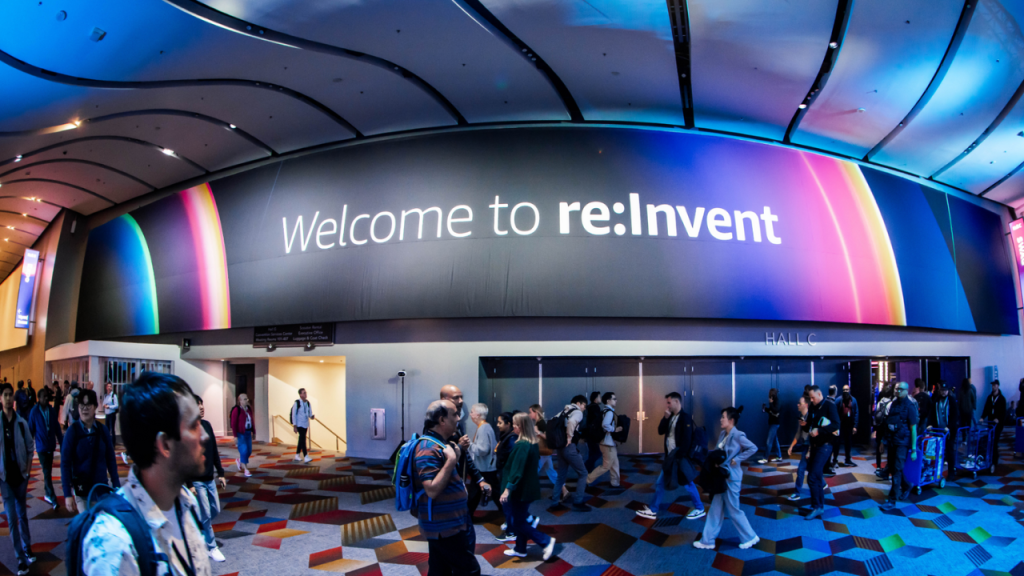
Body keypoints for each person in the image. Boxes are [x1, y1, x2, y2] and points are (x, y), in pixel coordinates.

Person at [75, 372, 211, 576]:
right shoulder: (115, 541)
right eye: (194, 426)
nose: (205, 436)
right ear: (165, 444)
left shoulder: (187, 502)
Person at [413, 399, 480, 576]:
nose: (459, 418)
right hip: (443, 526)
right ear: (442, 420)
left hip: (448, 524)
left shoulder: (440, 444)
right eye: (455, 414)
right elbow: (432, 489)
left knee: (439, 569)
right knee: (469, 570)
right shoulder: (427, 448)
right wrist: (451, 460)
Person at [693, 407, 759, 550]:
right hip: (721, 476)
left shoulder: (738, 435)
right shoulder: (723, 434)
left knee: (734, 510)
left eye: (723, 417)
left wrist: (738, 458)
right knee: (715, 509)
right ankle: (707, 540)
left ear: (731, 420)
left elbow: (753, 448)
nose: (721, 419)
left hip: (732, 478)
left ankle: (750, 537)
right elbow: (718, 451)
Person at [636, 392, 705, 520]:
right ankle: (653, 509)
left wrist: (679, 456)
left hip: (677, 457)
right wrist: (665, 418)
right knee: (664, 483)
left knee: (686, 483)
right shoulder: (671, 416)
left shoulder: (685, 417)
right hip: (671, 457)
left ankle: (699, 508)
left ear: (677, 402)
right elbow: (660, 431)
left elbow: (687, 440)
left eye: (669, 402)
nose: (667, 405)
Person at [499, 413, 557, 561]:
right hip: (526, 488)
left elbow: (516, 470)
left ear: (521, 426)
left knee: (517, 522)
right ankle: (520, 548)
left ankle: (545, 541)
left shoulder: (522, 445)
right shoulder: (531, 442)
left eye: (515, 425)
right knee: (520, 518)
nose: (513, 427)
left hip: (521, 490)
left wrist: (507, 489)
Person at [61, 389, 120, 513]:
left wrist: (116, 485)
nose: (84, 409)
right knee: (88, 526)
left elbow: (111, 460)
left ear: (95, 407)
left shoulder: (102, 430)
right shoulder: (73, 432)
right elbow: (65, 463)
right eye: (82, 405)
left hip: (101, 489)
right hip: (82, 492)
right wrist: (67, 493)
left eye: (88, 405)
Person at [439, 386, 491, 517]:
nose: (461, 400)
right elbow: (436, 454)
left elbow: (465, 454)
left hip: (458, 483)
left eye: (461, 397)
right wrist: (459, 447)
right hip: (444, 487)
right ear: (444, 399)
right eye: (456, 397)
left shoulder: (458, 424)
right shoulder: (435, 424)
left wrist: (479, 479)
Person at [1, 382, 36, 575]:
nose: (8, 398)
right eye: (4, 395)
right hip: (5, 479)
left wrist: (28, 473)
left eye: (10, 395)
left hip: (21, 478)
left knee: (22, 514)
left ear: (14, 399)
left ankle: (27, 546)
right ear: (0, 398)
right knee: (12, 519)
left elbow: (31, 449)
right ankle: (20, 559)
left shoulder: (21, 423)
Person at [190, 394, 228, 563]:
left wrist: (220, 473)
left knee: (215, 510)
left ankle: (196, 527)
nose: (201, 407)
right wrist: (188, 483)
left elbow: (213, 450)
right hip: (196, 480)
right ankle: (212, 547)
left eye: (202, 404)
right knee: (206, 513)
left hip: (209, 477)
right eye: (198, 405)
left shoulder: (207, 425)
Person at [880, 382, 918, 510]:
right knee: (893, 468)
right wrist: (883, 441)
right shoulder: (893, 404)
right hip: (892, 441)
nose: (897, 391)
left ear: (907, 391)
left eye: (900, 389)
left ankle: (892, 500)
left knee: (896, 470)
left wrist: (913, 449)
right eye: (896, 389)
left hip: (903, 443)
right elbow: (888, 424)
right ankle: (907, 485)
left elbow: (913, 429)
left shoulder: (910, 406)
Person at [552, 395, 591, 512]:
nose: (584, 408)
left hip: (560, 448)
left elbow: (552, 423)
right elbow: (572, 422)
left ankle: (554, 502)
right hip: (569, 447)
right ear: (579, 403)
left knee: (561, 476)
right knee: (583, 473)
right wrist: (569, 437)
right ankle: (578, 502)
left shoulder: (563, 411)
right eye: (584, 405)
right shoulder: (577, 412)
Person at [805, 385, 838, 520]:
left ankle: (817, 506)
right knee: (816, 476)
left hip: (825, 445)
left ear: (820, 394)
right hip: (814, 445)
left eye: (813, 397)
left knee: (812, 477)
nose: (811, 400)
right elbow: (810, 425)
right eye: (810, 398)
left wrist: (819, 431)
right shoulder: (813, 407)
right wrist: (805, 425)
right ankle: (819, 506)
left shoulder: (830, 406)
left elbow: (836, 425)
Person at [28, 386, 62, 509]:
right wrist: (29, 447)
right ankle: (53, 499)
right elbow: (30, 430)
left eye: (47, 396)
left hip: (51, 446)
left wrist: (62, 443)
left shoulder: (51, 410)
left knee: (48, 471)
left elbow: (57, 427)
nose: (47, 398)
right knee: (47, 472)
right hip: (41, 447)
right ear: (39, 398)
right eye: (44, 397)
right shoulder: (35, 411)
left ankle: (47, 493)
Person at [586, 392, 622, 488]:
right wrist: (615, 429)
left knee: (615, 463)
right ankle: (587, 479)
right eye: (614, 399)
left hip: (608, 443)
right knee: (606, 466)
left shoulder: (605, 411)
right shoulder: (609, 412)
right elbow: (605, 425)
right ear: (608, 401)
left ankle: (615, 482)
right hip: (607, 444)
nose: (616, 400)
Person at [494, 412, 519, 542]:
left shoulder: (511, 438)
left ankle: (511, 531)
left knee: (508, 503)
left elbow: (510, 460)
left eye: (500, 422)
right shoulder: (506, 437)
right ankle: (512, 528)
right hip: (504, 473)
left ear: (508, 424)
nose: (498, 425)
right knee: (508, 503)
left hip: (507, 474)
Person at [930, 380, 959, 477]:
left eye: (945, 390)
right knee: (938, 451)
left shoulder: (952, 400)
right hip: (939, 430)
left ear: (948, 391)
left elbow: (955, 416)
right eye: (942, 390)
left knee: (950, 450)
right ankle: (936, 472)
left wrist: (949, 427)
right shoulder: (936, 400)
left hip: (949, 431)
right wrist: (931, 424)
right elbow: (933, 414)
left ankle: (951, 472)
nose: (943, 392)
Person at [468, 403, 497, 493]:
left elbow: (483, 450)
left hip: (485, 467)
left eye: (472, 412)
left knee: (475, 493)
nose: (470, 414)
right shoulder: (485, 427)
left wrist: (469, 443)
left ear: (478, 415)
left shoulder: (483, 428)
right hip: (486, 466)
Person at [787, 395, 812, 501]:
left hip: (812, 447)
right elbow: (798, 433)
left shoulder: (811, 417)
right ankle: (797, 492)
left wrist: (810, 451)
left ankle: (797, 493)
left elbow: (813, 436)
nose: (797, 405)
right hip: (805, 446)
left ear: (806, 405)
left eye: (800, 403)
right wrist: (791, 446)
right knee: (809, 469)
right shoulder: (801, 418)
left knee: (803, 469)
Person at [528, 405, 559, 486]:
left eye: (530, 412)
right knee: (551, 471)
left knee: (533, 471)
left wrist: (538, 432)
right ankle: (564, 490)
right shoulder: (538, 422)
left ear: (536, 412)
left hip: (542, 452)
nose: (529, 414)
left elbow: (547, 437)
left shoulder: (541, 423)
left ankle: (529, 491)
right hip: (544, 452)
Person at [981, 379, 1007, 470]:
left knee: (994, 441)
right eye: (992, 385)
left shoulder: (1002, 399)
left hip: (998, 425)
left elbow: (1003, 412)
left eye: (995, 385)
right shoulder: (989, 397)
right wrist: (982, 417)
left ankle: (994, 460)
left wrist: (998, 419)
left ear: (998, 386)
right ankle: (990, 458)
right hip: (990, 423)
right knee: (990, 441)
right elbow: (986, 409)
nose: (993, 387)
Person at [873, 382, 894, 480]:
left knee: (878, 448)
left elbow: (876, 414)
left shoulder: (880, 402)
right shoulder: (890, 403)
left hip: (879, 427)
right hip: (886, 429)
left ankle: (878, 466)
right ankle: (888, 469)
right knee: (889, 450)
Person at [230, 393, 254, 477]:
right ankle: (246, 469)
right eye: (244, 399)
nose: (246, 400)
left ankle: (240, 460)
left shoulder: (249, 409)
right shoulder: (237, 410)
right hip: (240, 433)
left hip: (247, 432)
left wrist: (252, 430)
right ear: (240, 401)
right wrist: (235, 436)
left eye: (247, 399)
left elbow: (251, 420)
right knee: (244, 450)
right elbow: (233, 423)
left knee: (249, 451)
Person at [290, 388, 315, 462]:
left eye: (305, 392)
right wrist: (294, 425)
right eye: (303, 393)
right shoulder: (297, 403)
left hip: (306, 424)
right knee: (303, 440)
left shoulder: (308, 403)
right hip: (299, 424)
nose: (305, 394)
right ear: (300, 395)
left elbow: (309, 413)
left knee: (301, 440)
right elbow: (293, 415)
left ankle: (297, 455)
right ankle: (306, 456)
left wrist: (311, 416)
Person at [758, 389, 781, 464]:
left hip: (775, 423)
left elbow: (775, 411)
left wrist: (770, 404)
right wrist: (766, 409)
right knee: (775, 440)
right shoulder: (773, 401)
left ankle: (765, 458)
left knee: (769, 441)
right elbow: (771, 412)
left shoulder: (776, 401)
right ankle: (779, 456)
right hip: (772, 423)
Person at [837, 385, 858, 467]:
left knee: (848, 443)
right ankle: (835, 460)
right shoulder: (838, 400)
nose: (845, 391)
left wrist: (855, 426)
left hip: (849, 424)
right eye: (844, 390)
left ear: (849, 390)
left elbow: (856, 413)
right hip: (840, 424)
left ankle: (848, 460)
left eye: (847, 389)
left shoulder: (853, 400)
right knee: (837, 443)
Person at [583, 391, 604, 472]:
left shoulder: (589, 407)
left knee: (592, 452)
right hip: (593, 435)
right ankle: (586, 467)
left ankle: (589, 471)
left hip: (589, 434)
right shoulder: (595, 408)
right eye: (599, 397)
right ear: (595, 399)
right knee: (597, 453)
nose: (600, 398)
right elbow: (596, 422)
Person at [825, 385, 841, 475]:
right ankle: (828, 467)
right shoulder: (832, 403)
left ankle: (828, 465)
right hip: (832, 429)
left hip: (828, 428)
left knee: (829, 448)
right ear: (835, 392)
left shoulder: (826, 401)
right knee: (830, 448)